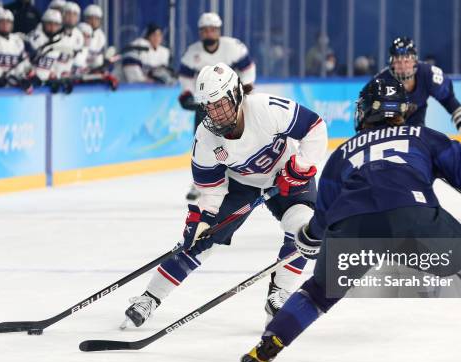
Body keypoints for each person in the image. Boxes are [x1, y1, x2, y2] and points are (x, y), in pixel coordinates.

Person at [239, 78, 461, 362]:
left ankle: (265, 349)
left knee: (317, 293)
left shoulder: (343, 153)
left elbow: (324, 215)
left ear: (367, 111)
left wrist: (310, 235)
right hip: (412, 218)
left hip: (353, 228)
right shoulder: (423, 136)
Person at [120, 62, 328, 329]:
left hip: (286, 175)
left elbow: (315, 128)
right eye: (209, 106)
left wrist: (299, 168)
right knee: (200, 241)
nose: (216, 114)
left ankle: (280, 292)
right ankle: (149, 297)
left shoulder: (266, 109)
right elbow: (211, 188)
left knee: (304, 230)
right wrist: (204, 219)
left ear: (236, 95)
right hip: (240, 183)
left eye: (220, 104)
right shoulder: (205, 138)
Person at [178, 12, 256, 201]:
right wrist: (187, 93)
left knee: (234, 139)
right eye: (205, 30)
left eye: (212, 30)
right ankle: (199, 182)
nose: (209, 33)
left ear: (218, 31)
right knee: (202, 141)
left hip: (231, 103)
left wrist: (243, 90)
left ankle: (240, 178)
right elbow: (185, 76)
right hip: (205, 105)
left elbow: (248, 69)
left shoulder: (233, 47)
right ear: (200, 32)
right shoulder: (193, 52)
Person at [371, 37, 461, 142]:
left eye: (407, 60)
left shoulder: (428, 74)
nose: (403, 66)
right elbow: (366, 116)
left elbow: (447, 98)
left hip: (417, 130)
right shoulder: (379, 82)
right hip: (387, 134)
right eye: (398, 61)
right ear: (392, 63)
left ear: (414, 62)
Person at [82, 4, 106, 72]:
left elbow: (98, 60)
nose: (93, 21)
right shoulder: (79, 32)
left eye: (96, 19)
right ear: (85, 19)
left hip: (93, 70)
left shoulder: (101, 36)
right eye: (90, 18)